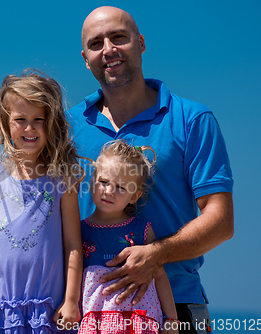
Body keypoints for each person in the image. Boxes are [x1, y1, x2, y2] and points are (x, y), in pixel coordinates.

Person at [67, 6, 234, 334]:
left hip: (179, 309)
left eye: (119, 38)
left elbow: (222, 221)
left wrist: (156, 254)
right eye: (96, 43)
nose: (109, 50)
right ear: (85, 58)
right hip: (89, 312)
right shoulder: (66, 126)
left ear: (141, 43)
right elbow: (23, 185)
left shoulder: (191, 120)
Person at [0, 71, 83, 333]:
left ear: (51, 123)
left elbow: (73, 244)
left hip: (48, 311)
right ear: (6, 124)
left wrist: (72, 300)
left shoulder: (64, 181)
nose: (29, 128)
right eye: (20, 120)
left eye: (38, 120)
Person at [79, 140, 178, 334]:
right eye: (104, 182)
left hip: (138, 321)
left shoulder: (142, 231)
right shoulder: (80, 230)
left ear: (134, 196)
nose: (108, 191)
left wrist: (172, 319)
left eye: (120, 187)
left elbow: (159, 275)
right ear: (92, 181)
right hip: (96, 323)